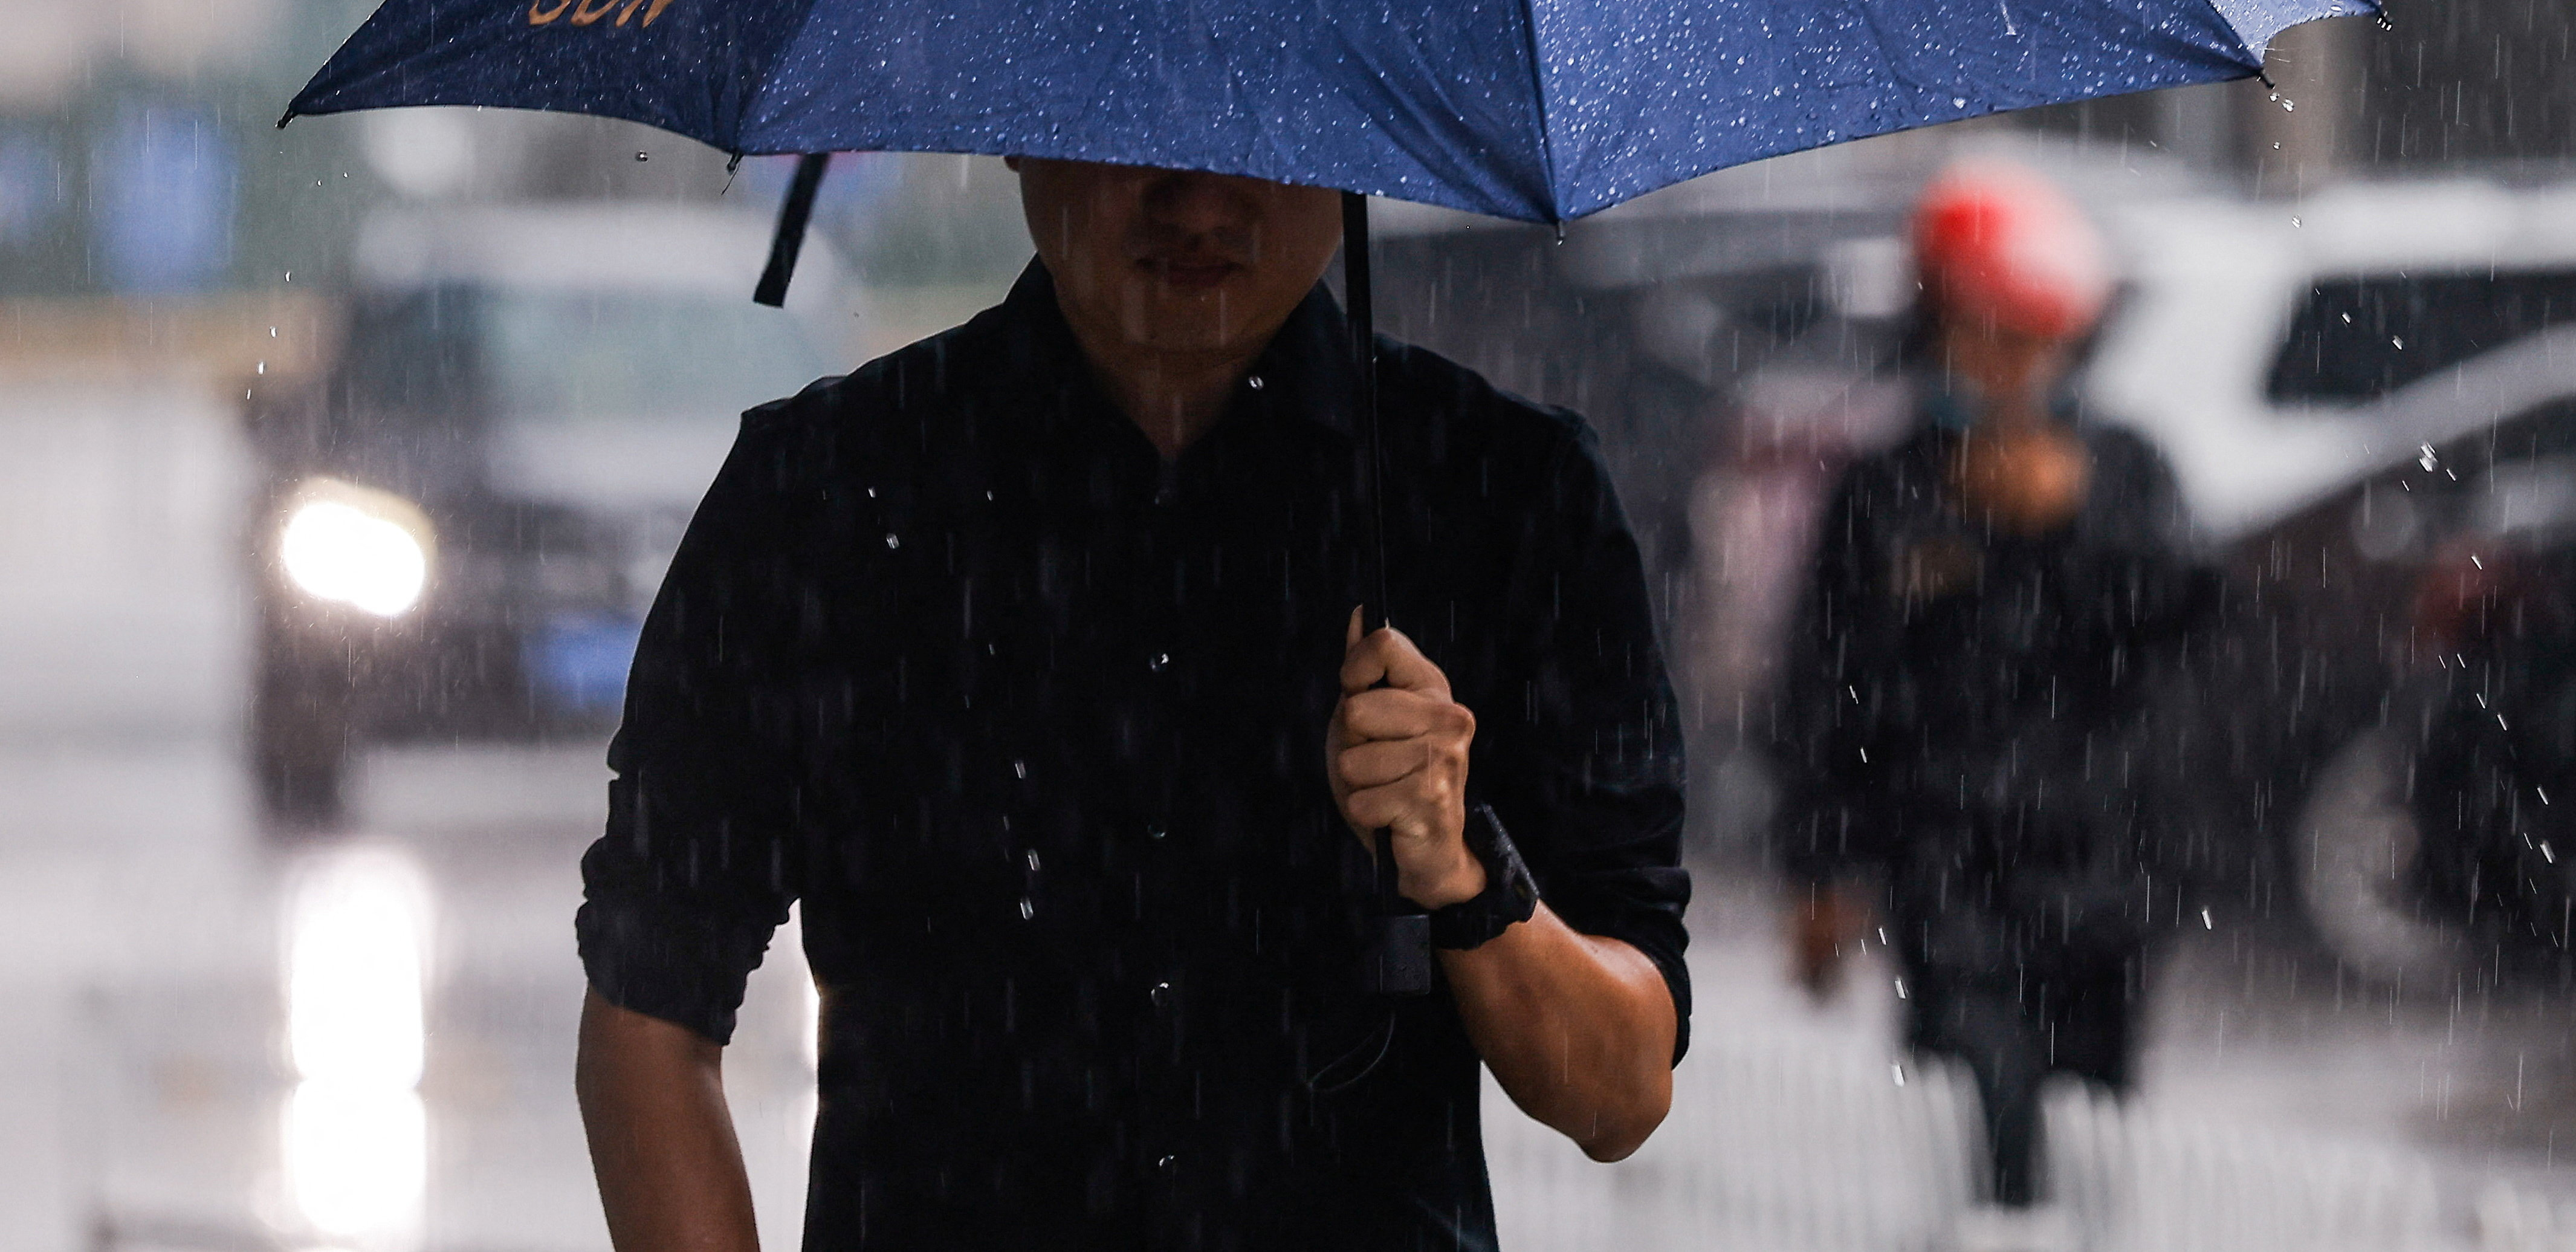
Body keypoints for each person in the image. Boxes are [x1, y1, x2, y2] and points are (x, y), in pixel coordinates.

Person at [573, 160, 1689, 1251]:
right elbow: (650, 1009)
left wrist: (1461, 873)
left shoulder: (1503, 493)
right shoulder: (828, 488)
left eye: (1255, 136)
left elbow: (1618, 1093)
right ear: (1019, 128)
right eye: (1132, 146)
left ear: (1349, 148)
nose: (1198, 203)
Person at [1775, 158, 2218, 1210]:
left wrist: (2072, 524)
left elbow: (2185, 620)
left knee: (2092, 1134)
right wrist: (1820, 865)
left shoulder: (2125, 468)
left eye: (2030, 337)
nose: (2007, 364)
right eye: (1982, 332)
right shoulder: (1885, 488)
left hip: (2103, 870)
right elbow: (1829, 686)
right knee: (1981, 1129)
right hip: (1949, 880)